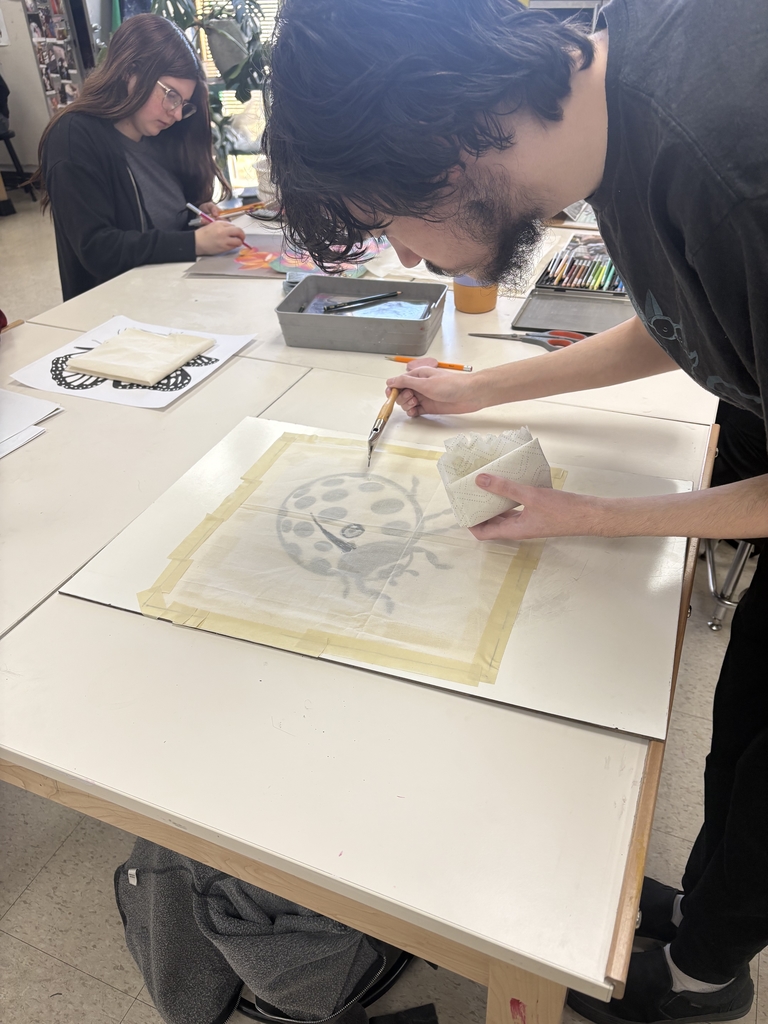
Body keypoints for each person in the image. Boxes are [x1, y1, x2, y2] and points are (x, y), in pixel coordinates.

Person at [263, 1, 768, 1022]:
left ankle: (707, 976)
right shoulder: (613, 109)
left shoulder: (728, 160)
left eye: (379, 216)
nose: (402, 258)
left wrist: (581, 514)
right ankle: (705, 907)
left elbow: (720, 239)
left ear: (436, 141)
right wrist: (481, 390)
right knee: (745, 714)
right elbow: (685, 310)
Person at [34, 14, 245, 300]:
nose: (177, 114)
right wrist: (192, 242)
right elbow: (98, 248)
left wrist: (194, 217)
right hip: (118, 311)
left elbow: (157, 226)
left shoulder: (157, 134)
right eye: (171, 96)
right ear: (129, 72)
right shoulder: (74, 137)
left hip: (175, 292)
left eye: (183, 104)